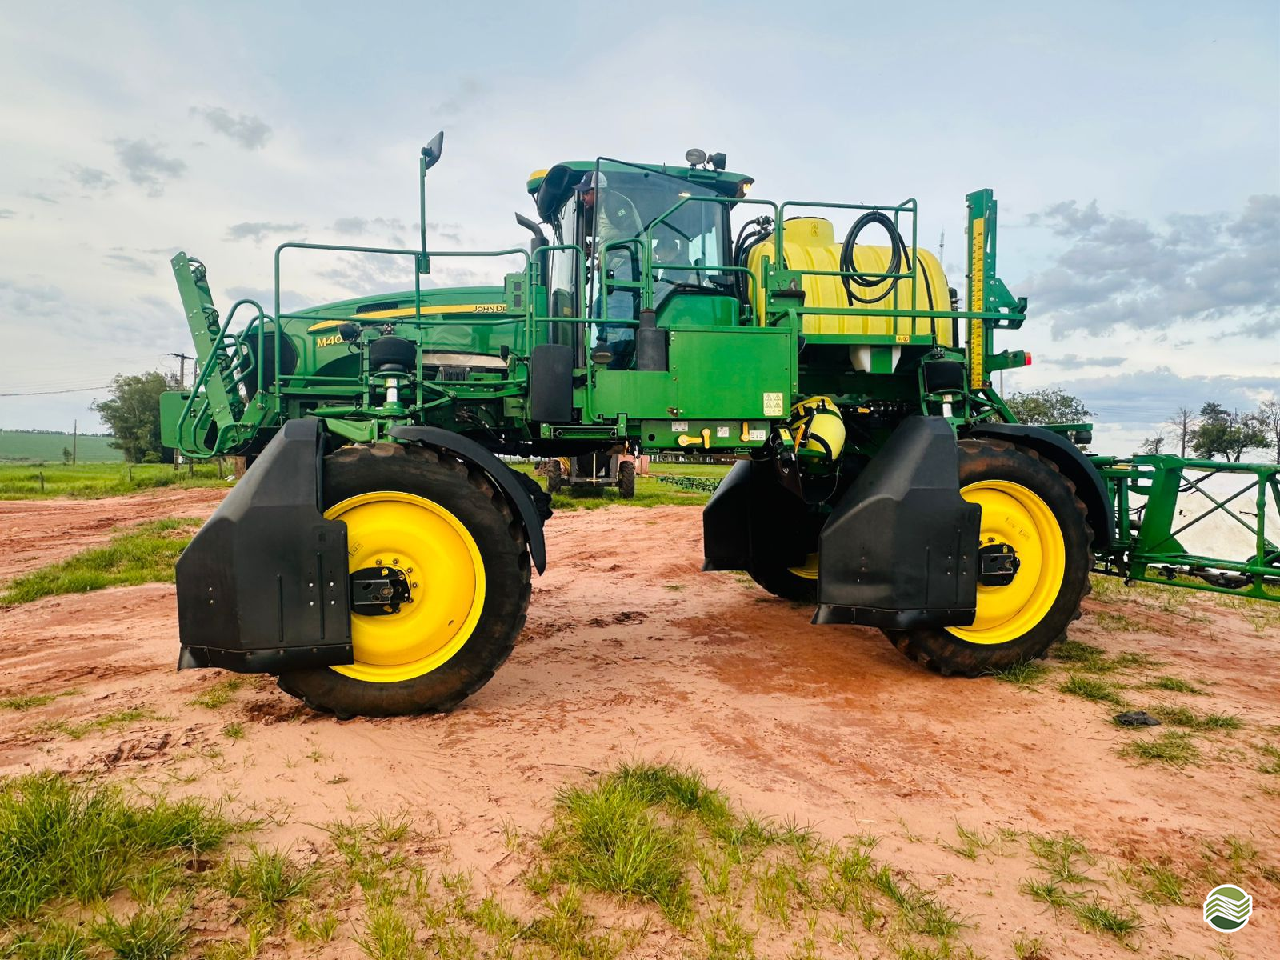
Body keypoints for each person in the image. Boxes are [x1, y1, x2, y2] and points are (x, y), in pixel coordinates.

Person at [577, 171, 642, 369]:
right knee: (599, 309)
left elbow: (631, 233)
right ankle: (604, 349)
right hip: (614, 267)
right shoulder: (603, 208)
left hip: (627, 266)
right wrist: (597, 250)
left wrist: (609, 253)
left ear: (598, 192)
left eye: (586, 193)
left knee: (616, 310)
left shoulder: (616, 205)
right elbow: (613, 238)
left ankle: (617, 358)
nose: (583, 198)